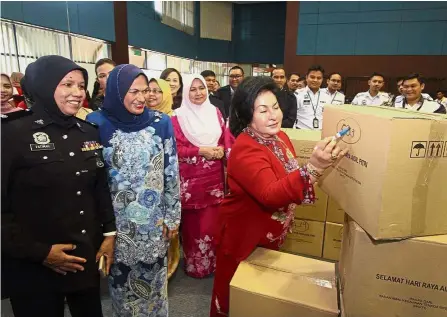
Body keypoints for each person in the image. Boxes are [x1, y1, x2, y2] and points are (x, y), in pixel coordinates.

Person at [209, 76, 347, 317]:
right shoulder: (245, 148)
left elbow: (289, 174)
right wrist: (314, 167)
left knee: (260, 293)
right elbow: (270, 194)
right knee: (234, 294)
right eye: (263, 110)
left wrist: (315, 164)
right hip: (244, 234)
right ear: (246, 114)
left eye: (275, 107)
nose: (273, 115)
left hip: (268, 231)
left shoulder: (280, 137)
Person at [1, 55, 116, 317]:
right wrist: (40, 253)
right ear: (44, 85)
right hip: (33, 264)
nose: (77, 92)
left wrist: (109, 234)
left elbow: (99, 188)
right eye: (67, 84)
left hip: (82, 256)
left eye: (80, 85)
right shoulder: (10, 134)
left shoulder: (88, 132)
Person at [86, 64, 181, 316]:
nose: (142, 98)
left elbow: (171, 172)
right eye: (133, 91)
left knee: (156, 288)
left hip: (153, 222)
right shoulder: (95, 123)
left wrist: (172, 217)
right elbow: (93, 179)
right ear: (116, 91)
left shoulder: (161, 122)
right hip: (116, 226)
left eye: (145, 91)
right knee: (121, 289)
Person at [171, 75, 226, 278]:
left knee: (214, 223)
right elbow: (176, 148)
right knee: (195, 225)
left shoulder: (216, 112)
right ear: (185, 92)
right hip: (192, 180)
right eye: (192, 89)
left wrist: (221, 148)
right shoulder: (177, 117)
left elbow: (224, 139)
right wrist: (200, 150)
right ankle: (197, 266)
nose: (198, 93)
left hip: (215, 179)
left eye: (201, 88)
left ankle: (214, 263)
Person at [294, 65, 333, 130]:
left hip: (320, 133)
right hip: (301, 131)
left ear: (322, 79)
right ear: (306, 78)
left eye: (319, 78)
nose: (315, 80)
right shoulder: (298, 94)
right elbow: (293, 116)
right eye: (312, 77)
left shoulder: (327, 97)